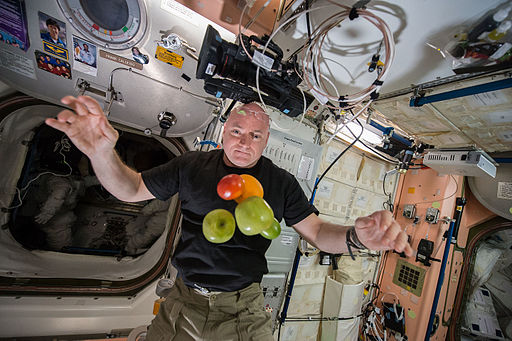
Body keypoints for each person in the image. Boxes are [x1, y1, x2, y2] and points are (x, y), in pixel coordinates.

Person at [45, 96, 413, 340]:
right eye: (237, 132)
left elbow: (316, 231)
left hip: (244, 311)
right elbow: (130, 188)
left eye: (255, 135)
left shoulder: (281, 183)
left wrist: (356, 237)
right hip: (182, 301)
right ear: (224, 132)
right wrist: (101, 155)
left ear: (266, 140)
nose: (244, 142)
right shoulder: (191, 166)